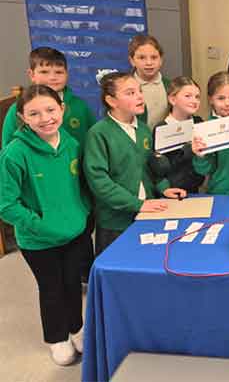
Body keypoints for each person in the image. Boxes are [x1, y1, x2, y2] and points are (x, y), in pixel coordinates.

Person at [0, 85, 89, 365]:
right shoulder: (14, 153)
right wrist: (38, 225)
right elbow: (6, 204)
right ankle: (57, 338)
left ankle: (76, 329)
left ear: (61, 109)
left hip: (75, 232)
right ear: (23, 117)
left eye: (51, 109)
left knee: (73, 284)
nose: (45, 118)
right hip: (39, 241)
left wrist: (82, 213)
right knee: (52, 289)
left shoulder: (71, 143)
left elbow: (79, 187)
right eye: (34, 113)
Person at [1, 46, 96, 283]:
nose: (52, 77)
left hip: (75, 200)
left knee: (77, 267)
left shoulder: (79, 109)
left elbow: (89, 145)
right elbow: (8, 170)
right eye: (44, 71)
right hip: (41, 209)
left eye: (58, 71)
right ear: (31, 74)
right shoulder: (17, 118)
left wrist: (84, 206)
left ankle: (84, 279)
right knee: (54, 288)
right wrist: (37, 221)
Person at [83, 72, 177, 256]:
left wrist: (164, 187)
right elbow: (99, 181)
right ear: (112, 101)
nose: (140, 96)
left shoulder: (143, 129)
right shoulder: (99, 134)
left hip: (147, 212)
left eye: (139, 91)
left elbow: (149, 166)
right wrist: (136, 203)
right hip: (115, 222)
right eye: (130, 93)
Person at [191, 72, 229, 195]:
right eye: (221, 98)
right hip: (219, 191)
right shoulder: (205, 128)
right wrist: (200, 156)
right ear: (211, 100)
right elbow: (204, 170)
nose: (227, 103)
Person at [149, 76, 204, 195]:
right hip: (171, 192)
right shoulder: (162, 128)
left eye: (197, 97)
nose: (194, 101)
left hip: (195, 189)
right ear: (172, 99)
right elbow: (158, 168)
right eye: (188, 96)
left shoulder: (199, 122)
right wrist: (188, 150)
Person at [128, 34, 171, 129]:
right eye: (142, 58)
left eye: (154, 57)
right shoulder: (124, 89)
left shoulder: (171, 86)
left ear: (161, 60)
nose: (149, 63)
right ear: (132, 61)